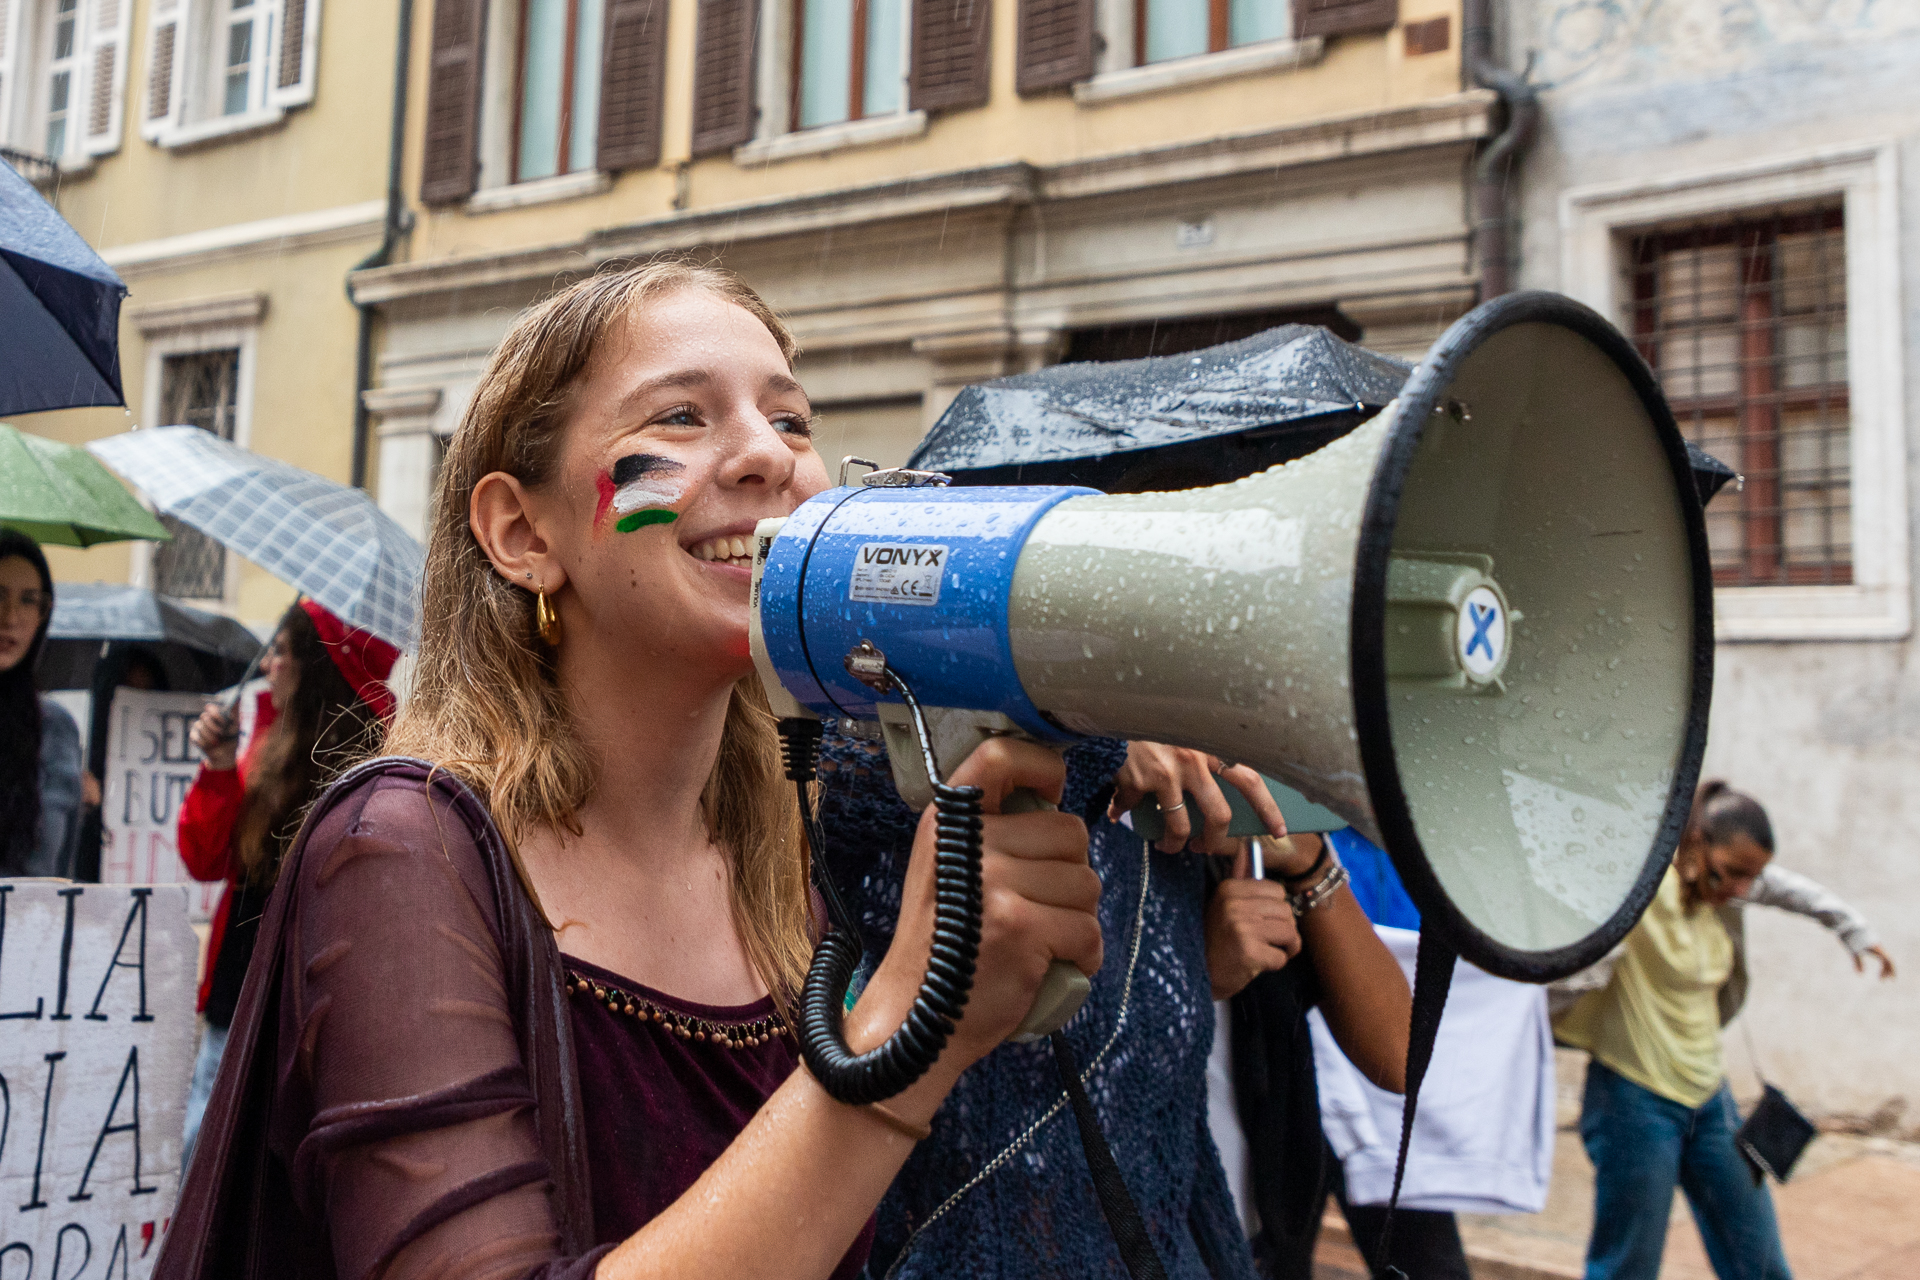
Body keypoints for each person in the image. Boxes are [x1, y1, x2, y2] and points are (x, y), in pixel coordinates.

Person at [159, 261, 1104, 1280]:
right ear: (523, 532)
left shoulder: (776, 849)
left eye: (792, 420)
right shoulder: (401, 853)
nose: (766, 456)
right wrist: (902, 1035)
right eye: (684, 416)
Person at [1554, 780, 1896, 1280]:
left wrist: (1855, 932)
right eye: (1734, 873)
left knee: (1760, 1266)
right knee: (1627, 1268)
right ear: (1694, 841)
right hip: (1634, 1101)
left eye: (1750, 879)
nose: (1742, 889)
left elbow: (1794, 892)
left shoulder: (1726, 897)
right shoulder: (1635, 887)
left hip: (1711, 1101)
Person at [177, 599, 396, 1158]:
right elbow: (203, 860)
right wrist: (221, 769)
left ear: (316, 667)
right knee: (201, 1146)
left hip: (305, 1016)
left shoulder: (375, 782)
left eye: (280, 652)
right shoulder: (266, 747)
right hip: (235, 995)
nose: (269, 665)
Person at [0, 529, 83, 877]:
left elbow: (60, 873)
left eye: (29, 600)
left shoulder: (55, 728)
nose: (10, 617)